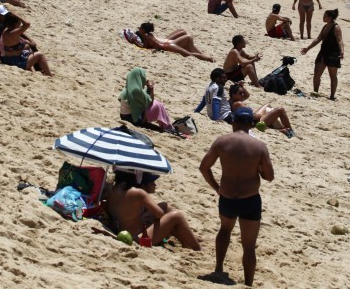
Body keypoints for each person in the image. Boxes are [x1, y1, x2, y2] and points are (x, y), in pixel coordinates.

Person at [199, 106, 274, 286]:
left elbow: (204, 167)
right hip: (250, 199)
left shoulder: (222, 142)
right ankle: (248, 283)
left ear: (233, 122)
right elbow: (269, 176)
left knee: (225, 230)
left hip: (227, 197)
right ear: (251, 124)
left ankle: (218, 268)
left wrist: (216, 187)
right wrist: (257, 170)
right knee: (249, 245)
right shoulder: (259, 146)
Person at [106, 170, 200, 250]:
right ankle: (196, 248)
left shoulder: (111, 190)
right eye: (152, 182)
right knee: (176, 216)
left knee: (164, 206)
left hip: (122, 232)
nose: (155, 184)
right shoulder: (138, 193)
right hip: (138, 238)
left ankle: (187, 238)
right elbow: (160, 214)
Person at [300, 9, 344, 100]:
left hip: (333, 54)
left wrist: (342, 51)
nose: (323, 17)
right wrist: (307, 48)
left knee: (333, 76)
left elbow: (340, 40)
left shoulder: (336, 27)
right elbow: (318, 39)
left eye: (325, 16)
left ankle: (332, 96)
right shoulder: (325, 26)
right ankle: (315, 91)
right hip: (323, 52)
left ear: (330, 17)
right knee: (317, 74)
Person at [118, 67, 173, 132]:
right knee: (158, 105)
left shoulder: (128, 87)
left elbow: (143, 98)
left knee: (155, 103)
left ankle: (166, 125)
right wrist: (151, 88)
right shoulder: (136, 90)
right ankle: (167, 126)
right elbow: (150, 101)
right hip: (134, 120)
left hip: (124, 116)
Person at [229, 84, 294, 138]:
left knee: (267, 105)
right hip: (256, 123)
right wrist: (261, 114)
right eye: (240, 93)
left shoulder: (232, 101)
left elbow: (247, 95)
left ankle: (279, 128)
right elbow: (253, 117)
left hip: (253, 121)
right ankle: (290, 130)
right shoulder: (238, 103)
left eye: (243, 92)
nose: (243, 94)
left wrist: (242, 87)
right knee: (280, 110)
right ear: (233, 95)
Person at [135, 22, 213, 62]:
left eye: (140, 28)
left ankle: (208, 58)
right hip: (167, 44)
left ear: (143, 30)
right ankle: (206, 57)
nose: (139, 29)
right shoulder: (149, 35)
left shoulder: (146, 36)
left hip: (167, 45)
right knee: (188, 51)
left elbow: (145, 47)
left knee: (189, 53)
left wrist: (135, 42)